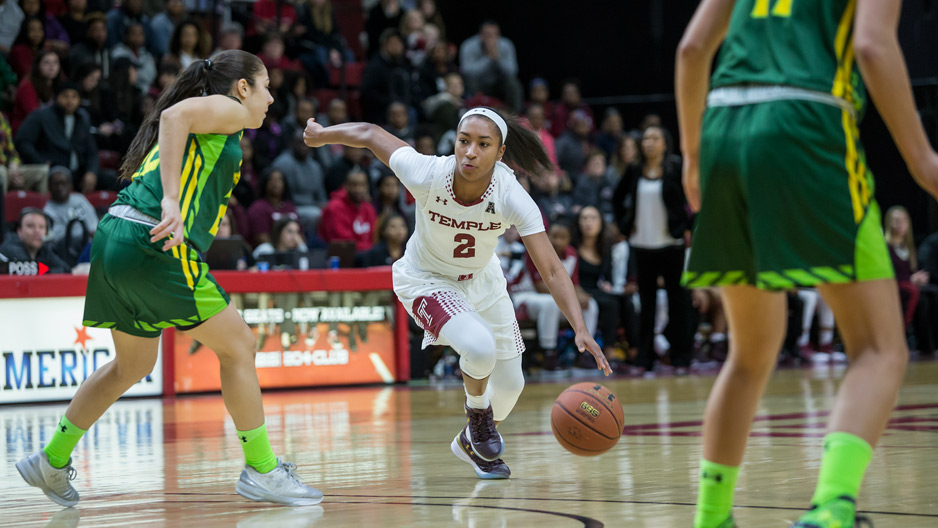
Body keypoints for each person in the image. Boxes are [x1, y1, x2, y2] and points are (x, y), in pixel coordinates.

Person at [15, 50, 322, 508]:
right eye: (265, 87)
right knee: (239, 345)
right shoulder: (230, 109)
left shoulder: (220, 119)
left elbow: (177, 122)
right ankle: (262, 470)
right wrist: (173, 202)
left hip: (116, 232)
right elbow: (174, 116)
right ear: (242, 88)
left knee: (131, 366)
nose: (271, 98)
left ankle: (52, 459)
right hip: (151, 238)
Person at [676, 1, 938, 527]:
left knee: (749, 354)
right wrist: (922, 159)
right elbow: (871, 43)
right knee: (880, 348)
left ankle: (712, 517)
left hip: (724, 123)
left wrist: (693, 155)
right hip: (806, 122)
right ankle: (833, 508)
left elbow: (692, 49)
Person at [303, 105, 612, 479]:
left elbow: (551, 268)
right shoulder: (428, 172)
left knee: (512, 384)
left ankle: (470, 441)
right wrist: (322, 135)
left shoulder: (510, 194)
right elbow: (370, 132)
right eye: (464, 141)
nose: (470, 152)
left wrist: (579, 326)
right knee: (479, 347)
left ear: (500, 154)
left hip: (483, 280)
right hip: (426, 279)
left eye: (483, 145)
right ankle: (478, 416)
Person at [612, 125, 692, 375]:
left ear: (665, 144)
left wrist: (687, 227)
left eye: (654, 138)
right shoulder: (635, 170)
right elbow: (617, 198)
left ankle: (681, 356)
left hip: (672, 244)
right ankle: (645, 358)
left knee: (678, 301)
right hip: (642, 246)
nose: (648, 142)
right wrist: (625, 226)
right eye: (645, 138)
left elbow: (694, 196)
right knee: (646, 304)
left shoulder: (676, 167)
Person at [15, 81, 103, 193]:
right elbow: (23, 142)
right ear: (56, 97)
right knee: (59, 180)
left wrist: (91, 172)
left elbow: (92, 152)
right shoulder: (40, 116)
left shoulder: (82, 118)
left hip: (77, 172)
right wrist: (41, 162)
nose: (70, 101)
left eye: (74, 97)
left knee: (111, 179)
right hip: (53, 169)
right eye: (65, 96)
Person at [0, 207, 70, 273]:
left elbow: (66, 270)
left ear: (46, 232)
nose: (37, 231)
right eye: (30, 226)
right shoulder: (10, 247)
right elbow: (30, 272)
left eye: (41, 227)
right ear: (19, 231)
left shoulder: (44, 249)